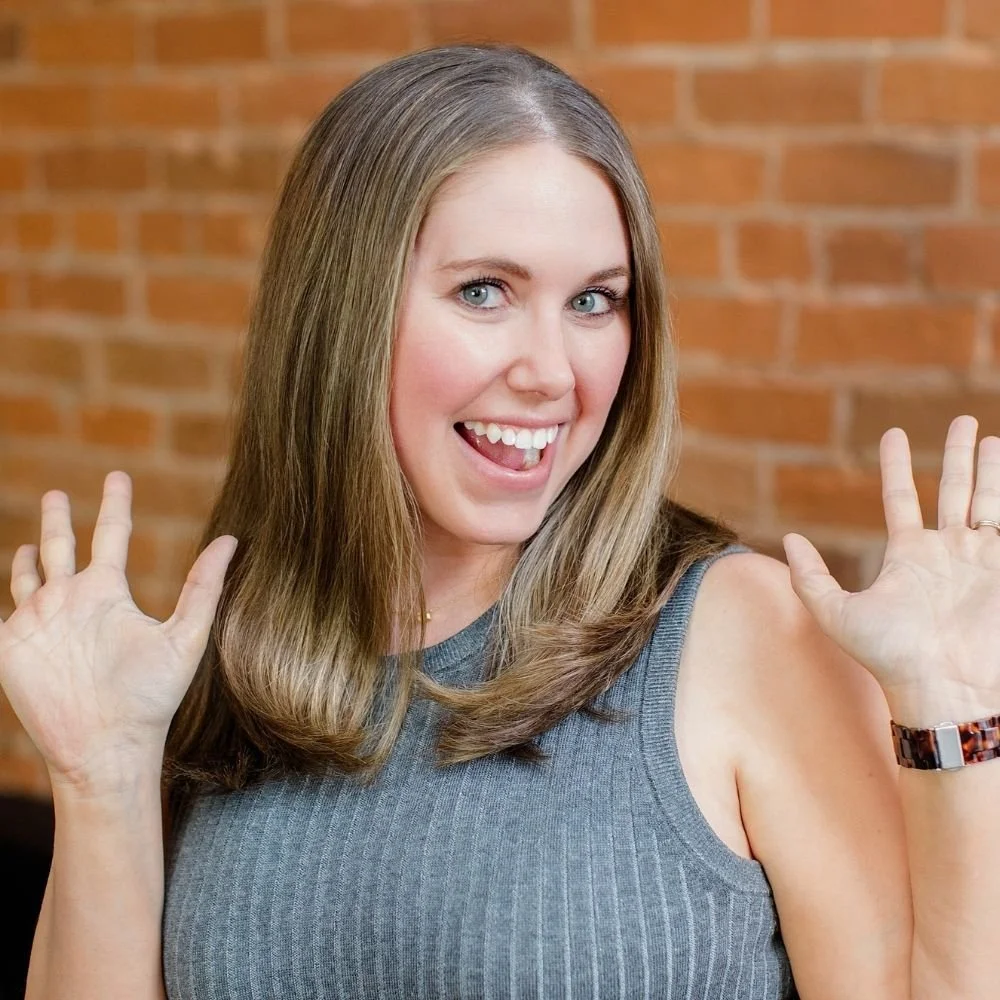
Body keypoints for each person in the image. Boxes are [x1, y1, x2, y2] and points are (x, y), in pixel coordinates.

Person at [1, 42, 997, 1000]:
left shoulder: (742, 632)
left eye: (594, 301)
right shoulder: (239, 648)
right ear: (343, 314)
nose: (552, 370)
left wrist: (956, 719)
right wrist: (101, 775)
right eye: (485, 291)